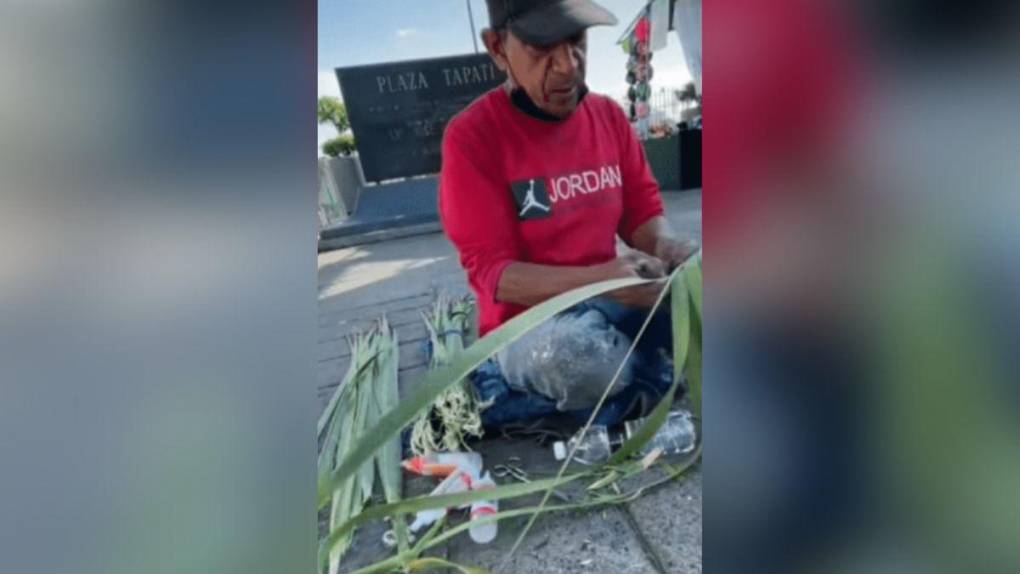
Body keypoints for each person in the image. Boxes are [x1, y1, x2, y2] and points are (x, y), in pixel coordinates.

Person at [439, 0, 697, 428]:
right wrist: (602, 282)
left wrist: (670, 246)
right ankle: (630, 377)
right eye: (542, 50)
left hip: (617, 297)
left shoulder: (608, 116)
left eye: (576, 42)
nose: (567, 67)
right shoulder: (472, 137)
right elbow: (494, 274)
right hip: (530, 325)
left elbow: (641, 215)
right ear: (498, 49)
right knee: (583, 361)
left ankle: (633, 380)